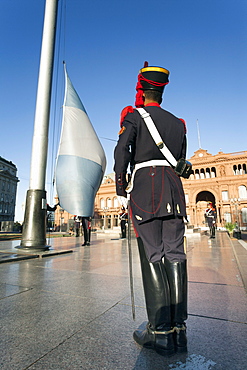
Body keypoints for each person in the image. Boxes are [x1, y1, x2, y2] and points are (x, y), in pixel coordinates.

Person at [114, 62, 188, 356]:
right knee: (175, 254)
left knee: (153, 254)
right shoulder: (177, 122)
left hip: (146, 189)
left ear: (142, 90)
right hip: (174, 190)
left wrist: (121, 189)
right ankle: (179, 331)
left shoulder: (135, 116)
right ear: (162, 91)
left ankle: (159, 332)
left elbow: (122, 152)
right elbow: (179, 159)